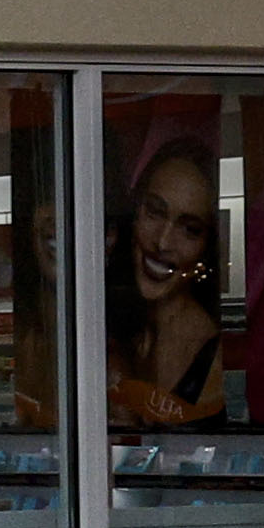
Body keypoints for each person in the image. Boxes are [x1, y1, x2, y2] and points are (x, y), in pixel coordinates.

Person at [109, 131, 241, 426]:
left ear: (207, 247)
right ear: (134, 214)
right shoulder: (123, 332)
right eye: (155, 212)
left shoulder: (210, 357)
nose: (163, 241)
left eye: (190, 229)